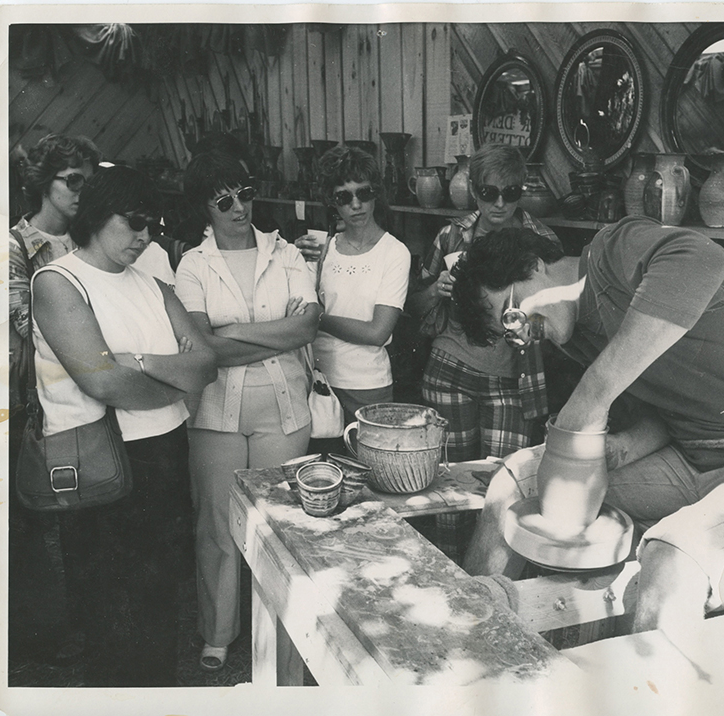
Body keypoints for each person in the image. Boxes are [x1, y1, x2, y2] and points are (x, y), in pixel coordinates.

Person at [450, 217, 724, 643]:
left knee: (674, 557)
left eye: (511, 314)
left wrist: (592, 393)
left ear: (533, 266)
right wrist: (625, 446)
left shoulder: (612, 253)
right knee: (512, 482)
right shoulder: (577, 336)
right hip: (692, 456)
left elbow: (701, 257)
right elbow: (666, 407)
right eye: (508, 334)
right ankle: (466, 645)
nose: (520, 335)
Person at [30, 165, 218, 686]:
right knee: (113, 616)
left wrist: (136, 361)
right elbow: (104, 386)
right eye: (134, 221)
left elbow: (206, 363)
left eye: (151, 224)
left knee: (158, 604)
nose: (145, 236)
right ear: (94, 214)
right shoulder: (57, 282)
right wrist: (173, 377)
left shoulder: (153, 284)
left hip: (164, 454)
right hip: (104, 466)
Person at [175, 151, 320, 672]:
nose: (239, 207)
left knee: (277, 525)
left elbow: (306, 327)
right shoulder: (192, 264)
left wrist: (228, 335)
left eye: (245, 193)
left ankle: (276, 631)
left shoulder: (287, 254)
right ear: (204, 208)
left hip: (285, 410)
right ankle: (218, 631)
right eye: (224, 199)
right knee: (216, 522)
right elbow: (200, 348)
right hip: (214, 411)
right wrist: (268, 337)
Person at [7, 133, 101, 666]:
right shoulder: (16, 245)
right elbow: (29, 322)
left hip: (94, 393)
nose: (82, 192)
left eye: (89, 181)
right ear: (43, 181)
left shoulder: (92, 235)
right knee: (44, 519)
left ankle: (89, 624)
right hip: (41, 401)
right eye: (72, 181)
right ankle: (42, 633)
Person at [405, 143, 562, 462]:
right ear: (475, 191)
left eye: (511, 192)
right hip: (449, 371)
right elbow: (413, 308)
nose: (501, 203)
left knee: (502, 483)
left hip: (512, 381)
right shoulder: (451, 237)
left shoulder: (542, 242)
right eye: (490, 193)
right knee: (447, 484)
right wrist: (437, 289)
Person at [309, 145, 410, 423]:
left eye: (364, 193)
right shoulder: (323, 248)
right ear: (333, 202)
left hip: (368, 385)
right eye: (344, 197)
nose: (356, 205)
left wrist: (317, 319)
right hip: (319, 381)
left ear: (376, 193)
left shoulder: (394, 252)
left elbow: (378, 332)